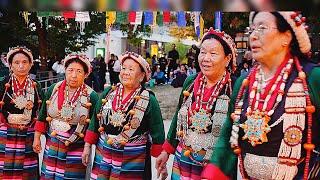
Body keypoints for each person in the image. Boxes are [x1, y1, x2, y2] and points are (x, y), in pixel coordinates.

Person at [201, 11, 320, 180]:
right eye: (252, 29)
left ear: (286, 37)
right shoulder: (244, 82)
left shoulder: (311, 78)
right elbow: (229, 132)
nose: (253, 36)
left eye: (262, 28)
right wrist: (215, 171)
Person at [156, 28, 237, 180]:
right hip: (183, 157)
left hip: (215, 164)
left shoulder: (233, 89)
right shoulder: (190, 82)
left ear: (227, 58)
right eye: (202, 52)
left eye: (213, 54)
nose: (205, 58)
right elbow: (177, 119)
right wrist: (166, 150)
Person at [82, 51, 165, 180]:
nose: (125, 72)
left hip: (134, 157)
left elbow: (157, 130)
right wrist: (87, 146)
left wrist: (161, 160)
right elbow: (95, 120)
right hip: (104, 152)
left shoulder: (149, 99)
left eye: (131, 69)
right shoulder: (108, 93)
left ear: (142, 76)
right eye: (123, 68)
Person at [33, 54, 99, 179]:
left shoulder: (92, 96)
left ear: (86, 74)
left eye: (79, 71)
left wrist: (87, 147)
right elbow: (42, 115)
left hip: (76, 145)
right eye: (70, 70)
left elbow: (93, 125)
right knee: (49, 174)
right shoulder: (54, 89)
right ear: (65, 70)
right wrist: (37, 138)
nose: (73, 75)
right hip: (52, 142)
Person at [0, 46, 44, 179]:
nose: (21, 66)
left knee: (26, 170)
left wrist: (37, 135)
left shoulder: (36, 86)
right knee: (4, 167)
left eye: (25, 62)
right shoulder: (3, 84)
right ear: (10, 65)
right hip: (5, 131)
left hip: (28, 132)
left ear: (31, 64)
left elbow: (41, 111)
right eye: (16, 62)